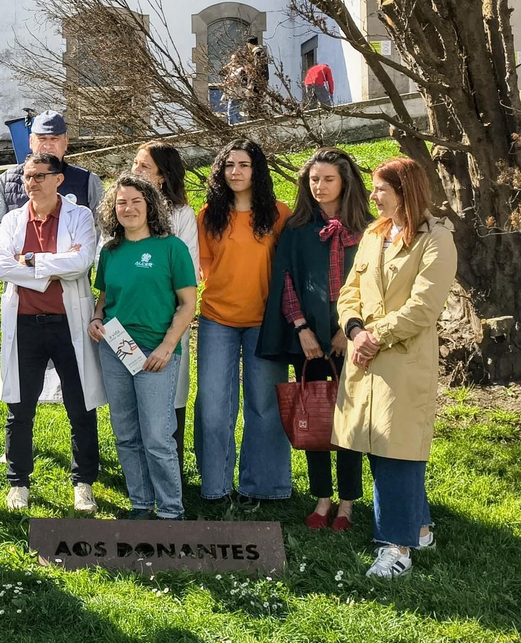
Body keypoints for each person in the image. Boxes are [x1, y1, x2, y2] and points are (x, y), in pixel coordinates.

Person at [335, 157, 457, 578]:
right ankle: (419, 527)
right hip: (364, 358)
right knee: (379, 447)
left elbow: (423, 308)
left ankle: (397, 550)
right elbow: (349, 291)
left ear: (405, 192)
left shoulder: (437, 240)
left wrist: (374, 336)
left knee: (399, 452)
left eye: (380, 189)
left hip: (403, 362)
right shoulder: (374, 234)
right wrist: (354, 331)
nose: (372, 196)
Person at [257, 147, 373, 531]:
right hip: (307, 337)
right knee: (315, 414)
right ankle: (322, 498)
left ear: (345, 182)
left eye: (328, 179)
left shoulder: (369, 229)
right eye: (313, 180)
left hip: (352, 336)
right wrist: (302, 328)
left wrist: (347, 330)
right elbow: (286, 281)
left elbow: (374, 286)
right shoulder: (297, 228)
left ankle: (347, 502)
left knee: (349, 420)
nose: (320, 186)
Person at [0, 151, 104, 513]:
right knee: (19, 409)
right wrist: (52, 269)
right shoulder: (12, 220)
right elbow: (3, 267)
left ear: (59, 179)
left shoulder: (80, 216)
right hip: (24, 323)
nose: (32, 183)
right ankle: (18, 482)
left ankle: (83, 482)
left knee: (81, 405)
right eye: (27, 176)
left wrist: (31, 261)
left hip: (69, 323)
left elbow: (82, 261)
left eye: (40, 176)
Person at [88, 174, 198, 520]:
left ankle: (170, 510)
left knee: (157, 436)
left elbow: (187, 304)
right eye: (121, 202)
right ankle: (140, 504)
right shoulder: (111, 251)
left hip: (156, 354)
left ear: (150, 205)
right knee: (125, 433)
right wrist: (95, 318)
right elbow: (105, 299)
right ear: (113, 209)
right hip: (116, 349)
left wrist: (168, 346)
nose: (129, 208)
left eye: (136, 201)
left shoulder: (172, 248)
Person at [195, 138, 292, 508]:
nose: (235, 172)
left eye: (244, 165)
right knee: (214, 404)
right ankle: (215, 487)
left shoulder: (278, 214)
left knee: (264, 405)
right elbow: (205, 269)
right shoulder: (208, 216)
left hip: (265, 323)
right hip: (216, 319)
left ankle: (263, 487)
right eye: (229, 165)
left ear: (257, 171)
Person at [130, 142, 201, 478]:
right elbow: (106, 262)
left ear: (162, 176)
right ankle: (138, 477)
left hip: (167, 322)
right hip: (125, 320)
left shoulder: (181, 216)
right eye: (135, 164)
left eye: (144, 167)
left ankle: (171, 479)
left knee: (168, 395)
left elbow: (184, 272)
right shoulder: (124, 209)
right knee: (132, 397)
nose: (135, 171)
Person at [0, 110, 104, 247]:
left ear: (65, 142)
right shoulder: (7, 181)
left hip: (70, 265)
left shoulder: (87, 181)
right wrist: (26, 232)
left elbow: (104, 228)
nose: (47, 146)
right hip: (20, 266)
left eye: (54, 139)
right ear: (31, 141)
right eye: (42, 139)